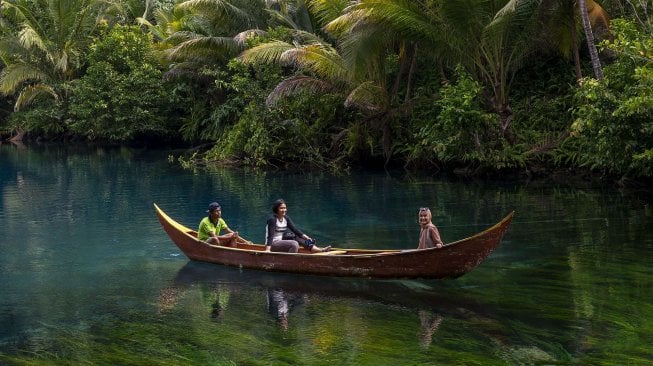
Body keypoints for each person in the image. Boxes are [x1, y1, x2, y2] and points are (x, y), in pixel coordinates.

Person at [265, 199, 330, 253]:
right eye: (281, 208)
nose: (284, 210)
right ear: (276, 209)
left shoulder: (286, 218)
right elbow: (270, 236)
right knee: (294, 244)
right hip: (273, 244)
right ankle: (289, 260)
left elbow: (295, 230)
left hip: (282, 241)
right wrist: (268, 250)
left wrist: (307, 238)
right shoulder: (272, 219)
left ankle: (319, 250)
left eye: (285, 208)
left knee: (296, 237)